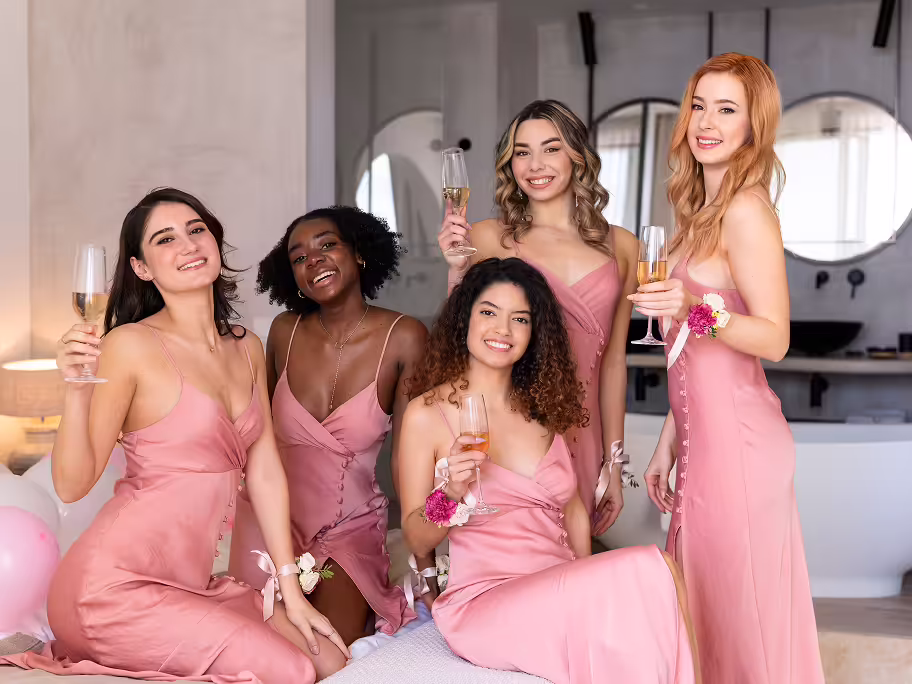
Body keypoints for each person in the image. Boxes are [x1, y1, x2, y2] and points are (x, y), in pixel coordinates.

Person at [2, 188, 349, 683]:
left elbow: (266, 469)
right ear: (142, 267)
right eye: (165, 239)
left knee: (329, 661)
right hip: (109, 590)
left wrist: (291, 591)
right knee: (289, 670)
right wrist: (77, 389)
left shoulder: (247, 346)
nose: (187, 245)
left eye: (196, 230)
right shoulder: (130, 346)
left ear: (215, 241)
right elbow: (72, 486)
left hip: (191, 585)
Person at [399, 257, 700, 684]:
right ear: (463, 318)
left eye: (519, 319)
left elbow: (574, 511)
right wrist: (449, 493)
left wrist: (588, 584)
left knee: (657, 578)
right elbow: (415, 535)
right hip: (487, 602)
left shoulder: (541, 410)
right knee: (652, 569)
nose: (502, 329)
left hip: (557, 586)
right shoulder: (427, 415)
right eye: (488, 312)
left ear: (533, 333)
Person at [631, 54, 825, 683]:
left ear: (753, 126)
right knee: (705, 611)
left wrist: (693, 307)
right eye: (698, 105)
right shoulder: (696, 218)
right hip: (705, 449)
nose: (706, 122)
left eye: (727, 109)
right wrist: (669, 442)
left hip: (742, 450)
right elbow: (690, 358)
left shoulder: (746, 210)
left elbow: (775, 338)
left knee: (741, 620)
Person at [437, 100, 638, 536]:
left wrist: (614, 462)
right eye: (522, 152)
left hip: (583, 430)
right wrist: (456, 267)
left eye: (550, 148)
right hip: (514, 425)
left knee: (572, 565)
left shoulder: (624, 247)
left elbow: (614, 363)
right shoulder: (489, 236)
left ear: (577, 157)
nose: (535, 165)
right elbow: (460, 338)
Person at [229, 206, 426, 645]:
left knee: (329, 646)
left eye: (327, 245)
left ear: (358, 253)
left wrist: (423, 553)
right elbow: (257, 436)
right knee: (259, 644)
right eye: (298, 258)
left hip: (348, 528)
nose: (312, 261)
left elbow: (410, 458)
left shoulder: (404, 336)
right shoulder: (283, 332)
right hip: (270, 521)